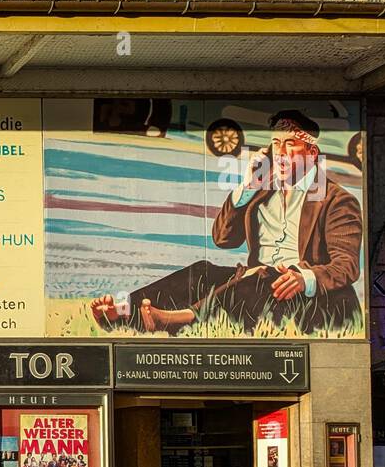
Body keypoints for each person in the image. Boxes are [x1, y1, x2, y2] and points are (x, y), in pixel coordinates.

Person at [89, 110, 364, 335]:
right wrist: (246, 189)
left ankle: (181, 319)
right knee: (202, 271)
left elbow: (347, 266)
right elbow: (223, 239)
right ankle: (123, 313)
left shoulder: (337, 200)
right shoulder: (262, 189)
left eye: (290, 146)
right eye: (276, 145)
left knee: (260, 276)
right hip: (255, 283)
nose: (280, 153)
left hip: (299, 294)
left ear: (311, 154)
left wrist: (305, 279)